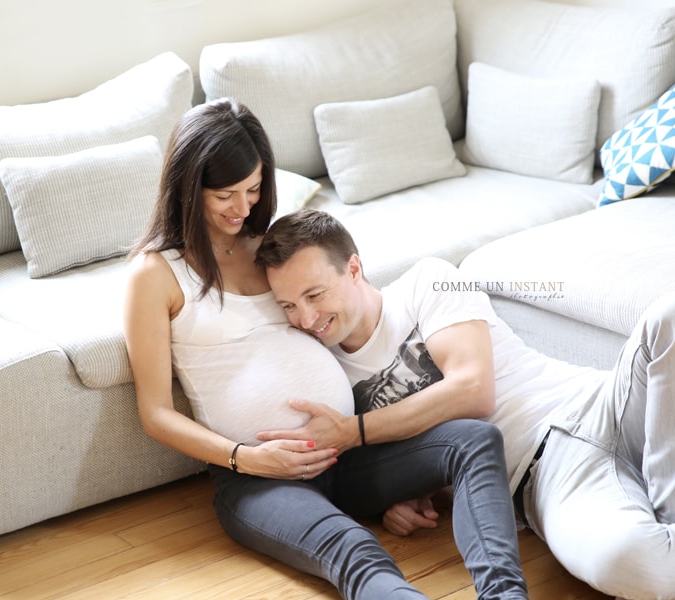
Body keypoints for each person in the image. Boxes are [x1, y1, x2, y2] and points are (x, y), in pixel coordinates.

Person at [123, 98, 529, 600]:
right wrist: (247, 460)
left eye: (253, 189)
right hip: (262, 480)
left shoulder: (270, 249)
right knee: (356, 552)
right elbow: (156, 413)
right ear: (188, 187)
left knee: (474, 440)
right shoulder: (154, 274)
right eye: (225, 194)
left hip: (349, 454)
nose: (243, 208)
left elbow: (341, 308)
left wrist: (401, 482)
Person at [255, 209, 675, 600]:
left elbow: (473, 391)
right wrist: (410, 488)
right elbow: (418, 457)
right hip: (546, 479)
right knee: (631, 565)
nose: (305, 318)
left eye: (315, 294)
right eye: (288, 306)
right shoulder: (328, 376)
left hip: (600, 401)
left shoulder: (429, 281)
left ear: (353, 269)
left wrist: (353, 431)